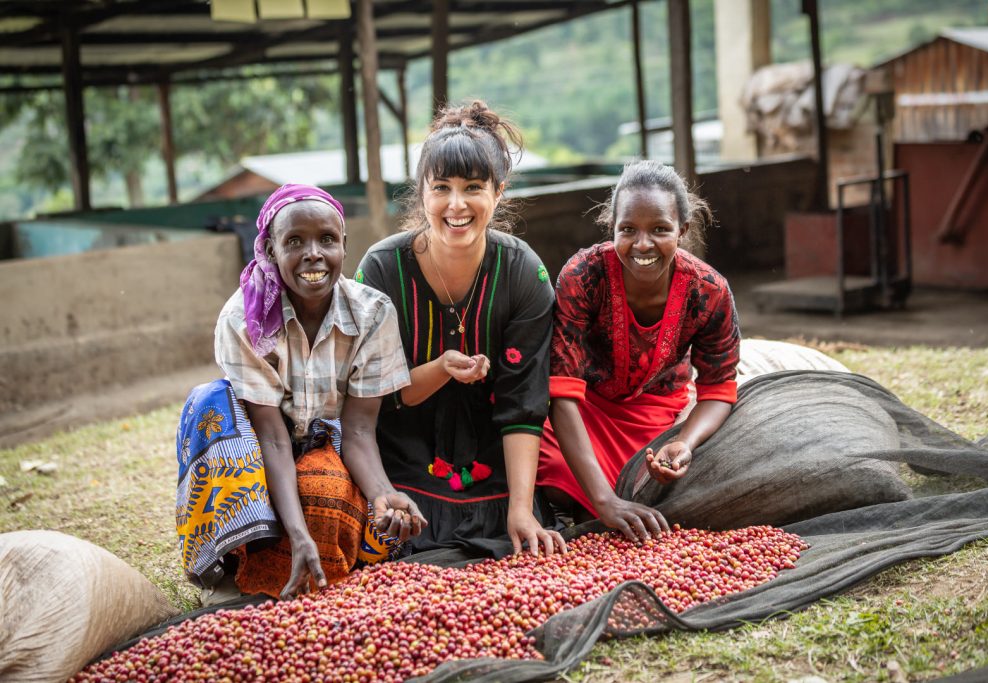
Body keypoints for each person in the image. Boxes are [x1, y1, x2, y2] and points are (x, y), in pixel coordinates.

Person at [176, 184, 426, 601]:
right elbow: (271, 436)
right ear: (270, 251)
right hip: (254, 452)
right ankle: (230, 569)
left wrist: (384, 495)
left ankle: (309, 558)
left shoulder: (373, 313)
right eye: (294, 241)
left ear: (344, 246)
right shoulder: (242, 319)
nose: (313, 253)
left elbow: (360, 431)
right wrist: (296, 533)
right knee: (209, 404)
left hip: (324, 447)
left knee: (324, 490)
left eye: (326, 239)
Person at [355, 101, 566, 558]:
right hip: (401, 453)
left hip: (494, 460)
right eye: (442, 188)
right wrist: (440, 369)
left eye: (473, 187)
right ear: (421, 193)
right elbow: (370, 398)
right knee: (389, 532)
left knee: (510, 529)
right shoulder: (380, 270)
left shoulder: (524, 273)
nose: (457, 205)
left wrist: (522, 508)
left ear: (499, 192)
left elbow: (524, 401)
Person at [537, 159, 741, 541]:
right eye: (628, 229)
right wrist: (602, 501)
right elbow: (561, 392)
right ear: (611, 227)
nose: (643, 244)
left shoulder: (708, 291)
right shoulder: (583, 276)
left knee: (677, 482)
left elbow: (718, 389)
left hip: (657, 416)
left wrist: (683, 442)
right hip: (584, 413)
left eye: (660, 229)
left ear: (682, 230)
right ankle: (590, 508)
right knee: (557, 472)